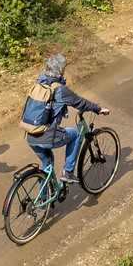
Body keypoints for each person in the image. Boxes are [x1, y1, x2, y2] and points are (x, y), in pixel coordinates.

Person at [25, 53, 108, 184]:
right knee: (76, 133)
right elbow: (80, 102)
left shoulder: (39, 83)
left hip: (31, 135)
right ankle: (68, 172)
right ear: (60, 70)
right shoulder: (59, 90)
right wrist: (97, 109)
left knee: (47, 162)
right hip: (47, 136)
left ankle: (44, 195)